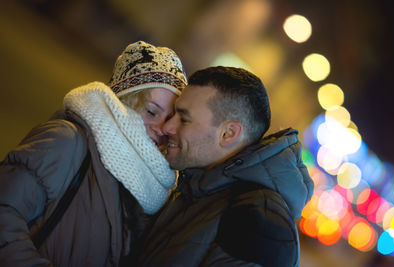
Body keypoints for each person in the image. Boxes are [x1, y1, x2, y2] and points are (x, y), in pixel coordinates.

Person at [0, 40, 187, 266]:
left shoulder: (152, 187)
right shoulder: (66, 140)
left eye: (169, 118)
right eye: (151, 112)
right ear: (123, 100)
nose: (161, 129)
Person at [134, 66, 314, 267]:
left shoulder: (259, 224)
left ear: (228, 134)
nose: (167, 128)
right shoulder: (198, 188)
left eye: (184, 119)